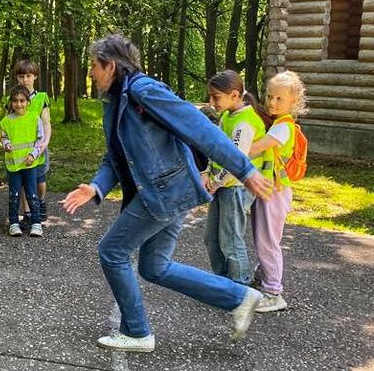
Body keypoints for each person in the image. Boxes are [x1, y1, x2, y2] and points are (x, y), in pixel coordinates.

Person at [62, 35, 273, 353]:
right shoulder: (115, 102)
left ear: (111, 65)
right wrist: (96, 187)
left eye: (94, 65)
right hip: (169, 192)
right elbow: (116, 157)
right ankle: (239, 297)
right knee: (155, 267)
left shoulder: (143, 90)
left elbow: (201, 129)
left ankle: (136, 332)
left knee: (112, 251)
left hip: (164, 192)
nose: (90, 72)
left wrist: (245, 170)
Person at [204, 71, 274, 285]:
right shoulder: (227, 115)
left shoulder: (245, 123)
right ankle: (224, 281)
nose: (211, 102)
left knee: (231, 240)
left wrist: (215, 183)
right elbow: (215, 148)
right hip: (222, 185)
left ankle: (241, 285)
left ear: (234, 95)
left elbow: (237, 163)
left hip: (235, 188)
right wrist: (207, 172)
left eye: (216, 97)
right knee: (212, 239)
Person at [247, 70, 308, 313]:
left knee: (268, 241)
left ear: (294, 101)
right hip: (270, 190)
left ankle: (273, 292)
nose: (272, 102)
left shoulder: (284, 128)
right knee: (264, 237)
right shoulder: (276, 123)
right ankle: (263, 276)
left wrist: (230, 146)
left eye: (279, 99)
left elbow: (255, 149)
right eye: (269, 96)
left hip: (275, 192)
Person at [0, 85, 44, 237]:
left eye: (22, 101)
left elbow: (40, 139)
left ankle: (36, 223)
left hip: (30, 164)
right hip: (13, 166)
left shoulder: (34, 118)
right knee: (14, 194)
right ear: (11, 102)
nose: (19, 104)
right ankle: (13, 223)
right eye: (15, 101)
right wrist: (6, 144)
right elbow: (3, 136)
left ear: (28, 102)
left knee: (32, 194)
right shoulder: (6, 121)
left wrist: (33, 154)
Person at [14, 60, 52, 228]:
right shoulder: (14, 98)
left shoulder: (41, 98)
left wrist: (45, 142)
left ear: (35, 77)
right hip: (18, 148)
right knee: (22, 181)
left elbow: (46, 123)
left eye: (28, 76)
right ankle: (28, 213)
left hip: (38, 146)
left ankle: (40, 202)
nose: (24, 80)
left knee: (38, 179)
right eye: (21, 76)